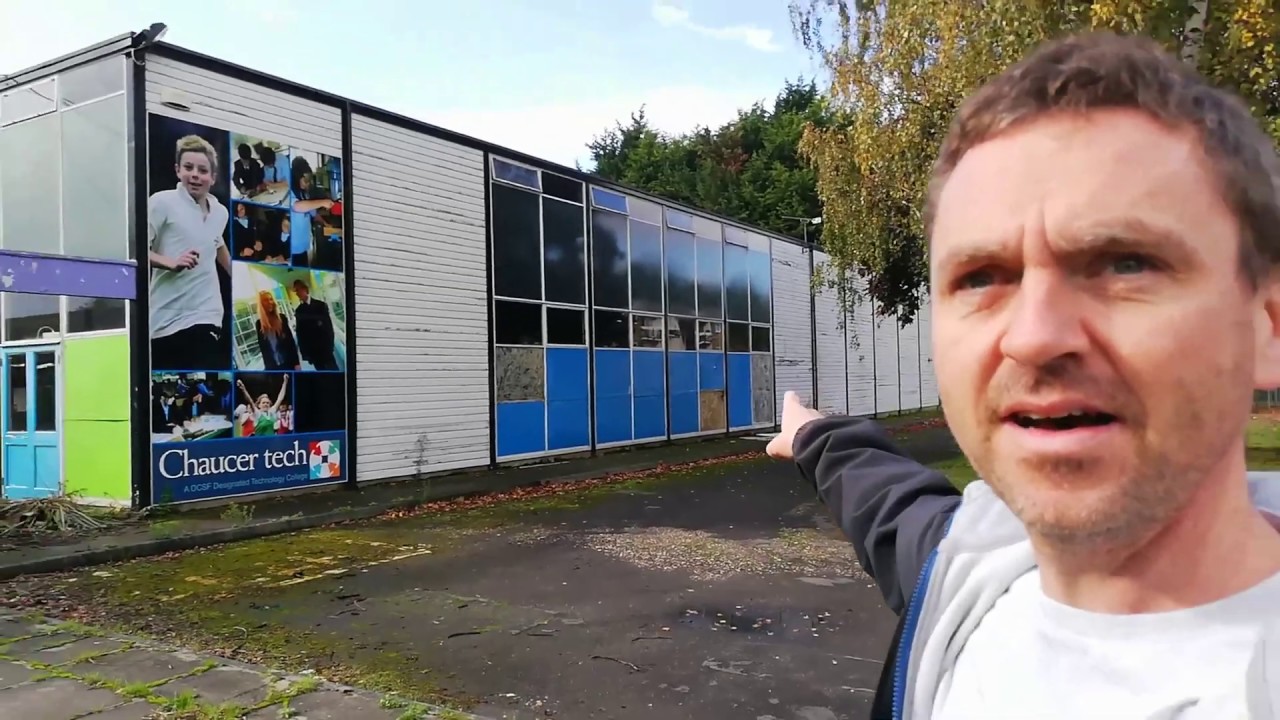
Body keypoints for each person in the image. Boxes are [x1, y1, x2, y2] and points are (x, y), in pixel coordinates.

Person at [767, 31, 1280, 719]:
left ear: (1267, 325)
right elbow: (901, 513)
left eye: (1125, 263)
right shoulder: (980, 569)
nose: (1034, 336)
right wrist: (815, 435)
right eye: (982, 277)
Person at [148, 134, 232, 370]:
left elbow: (217, 243)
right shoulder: (161, 203)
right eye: (188, 167)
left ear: (213, 178)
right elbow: (134, 251)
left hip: (207, 316)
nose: (195, 174)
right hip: (165, 321)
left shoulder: (220, 213)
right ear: (177, 170)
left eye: (202, 170)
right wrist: (171, 263)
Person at [288, 156, 335, 267]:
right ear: (296, 177)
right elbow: (297, 207)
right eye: (305, 181)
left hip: (304, 246)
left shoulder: (304, 193)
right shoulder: (290, 192)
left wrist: (325, 223)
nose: (308, 184)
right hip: (293, 249)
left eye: (309, 181)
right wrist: (322, 202)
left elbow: (313, 212)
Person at [291, 278, 338, 370]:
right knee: (322, 379)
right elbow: (300, 335)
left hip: (326, 350)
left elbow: (329, 328)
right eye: (295, 291)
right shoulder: (299, 311)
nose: (296, 293)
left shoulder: (321, 305)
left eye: (298, 290)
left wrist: (330, 347)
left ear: (305, 289)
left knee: (334, 374)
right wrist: (306, 355)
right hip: (314, 354)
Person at [253, 291, 301, 371]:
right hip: (273, 367)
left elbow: (291, 343)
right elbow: (263, 349)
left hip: (288, 364)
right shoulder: (259, 324)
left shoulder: (281, 319)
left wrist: (297, 363)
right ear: (261, 304)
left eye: (271, 299)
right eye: (266, 300)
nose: (270, 302)